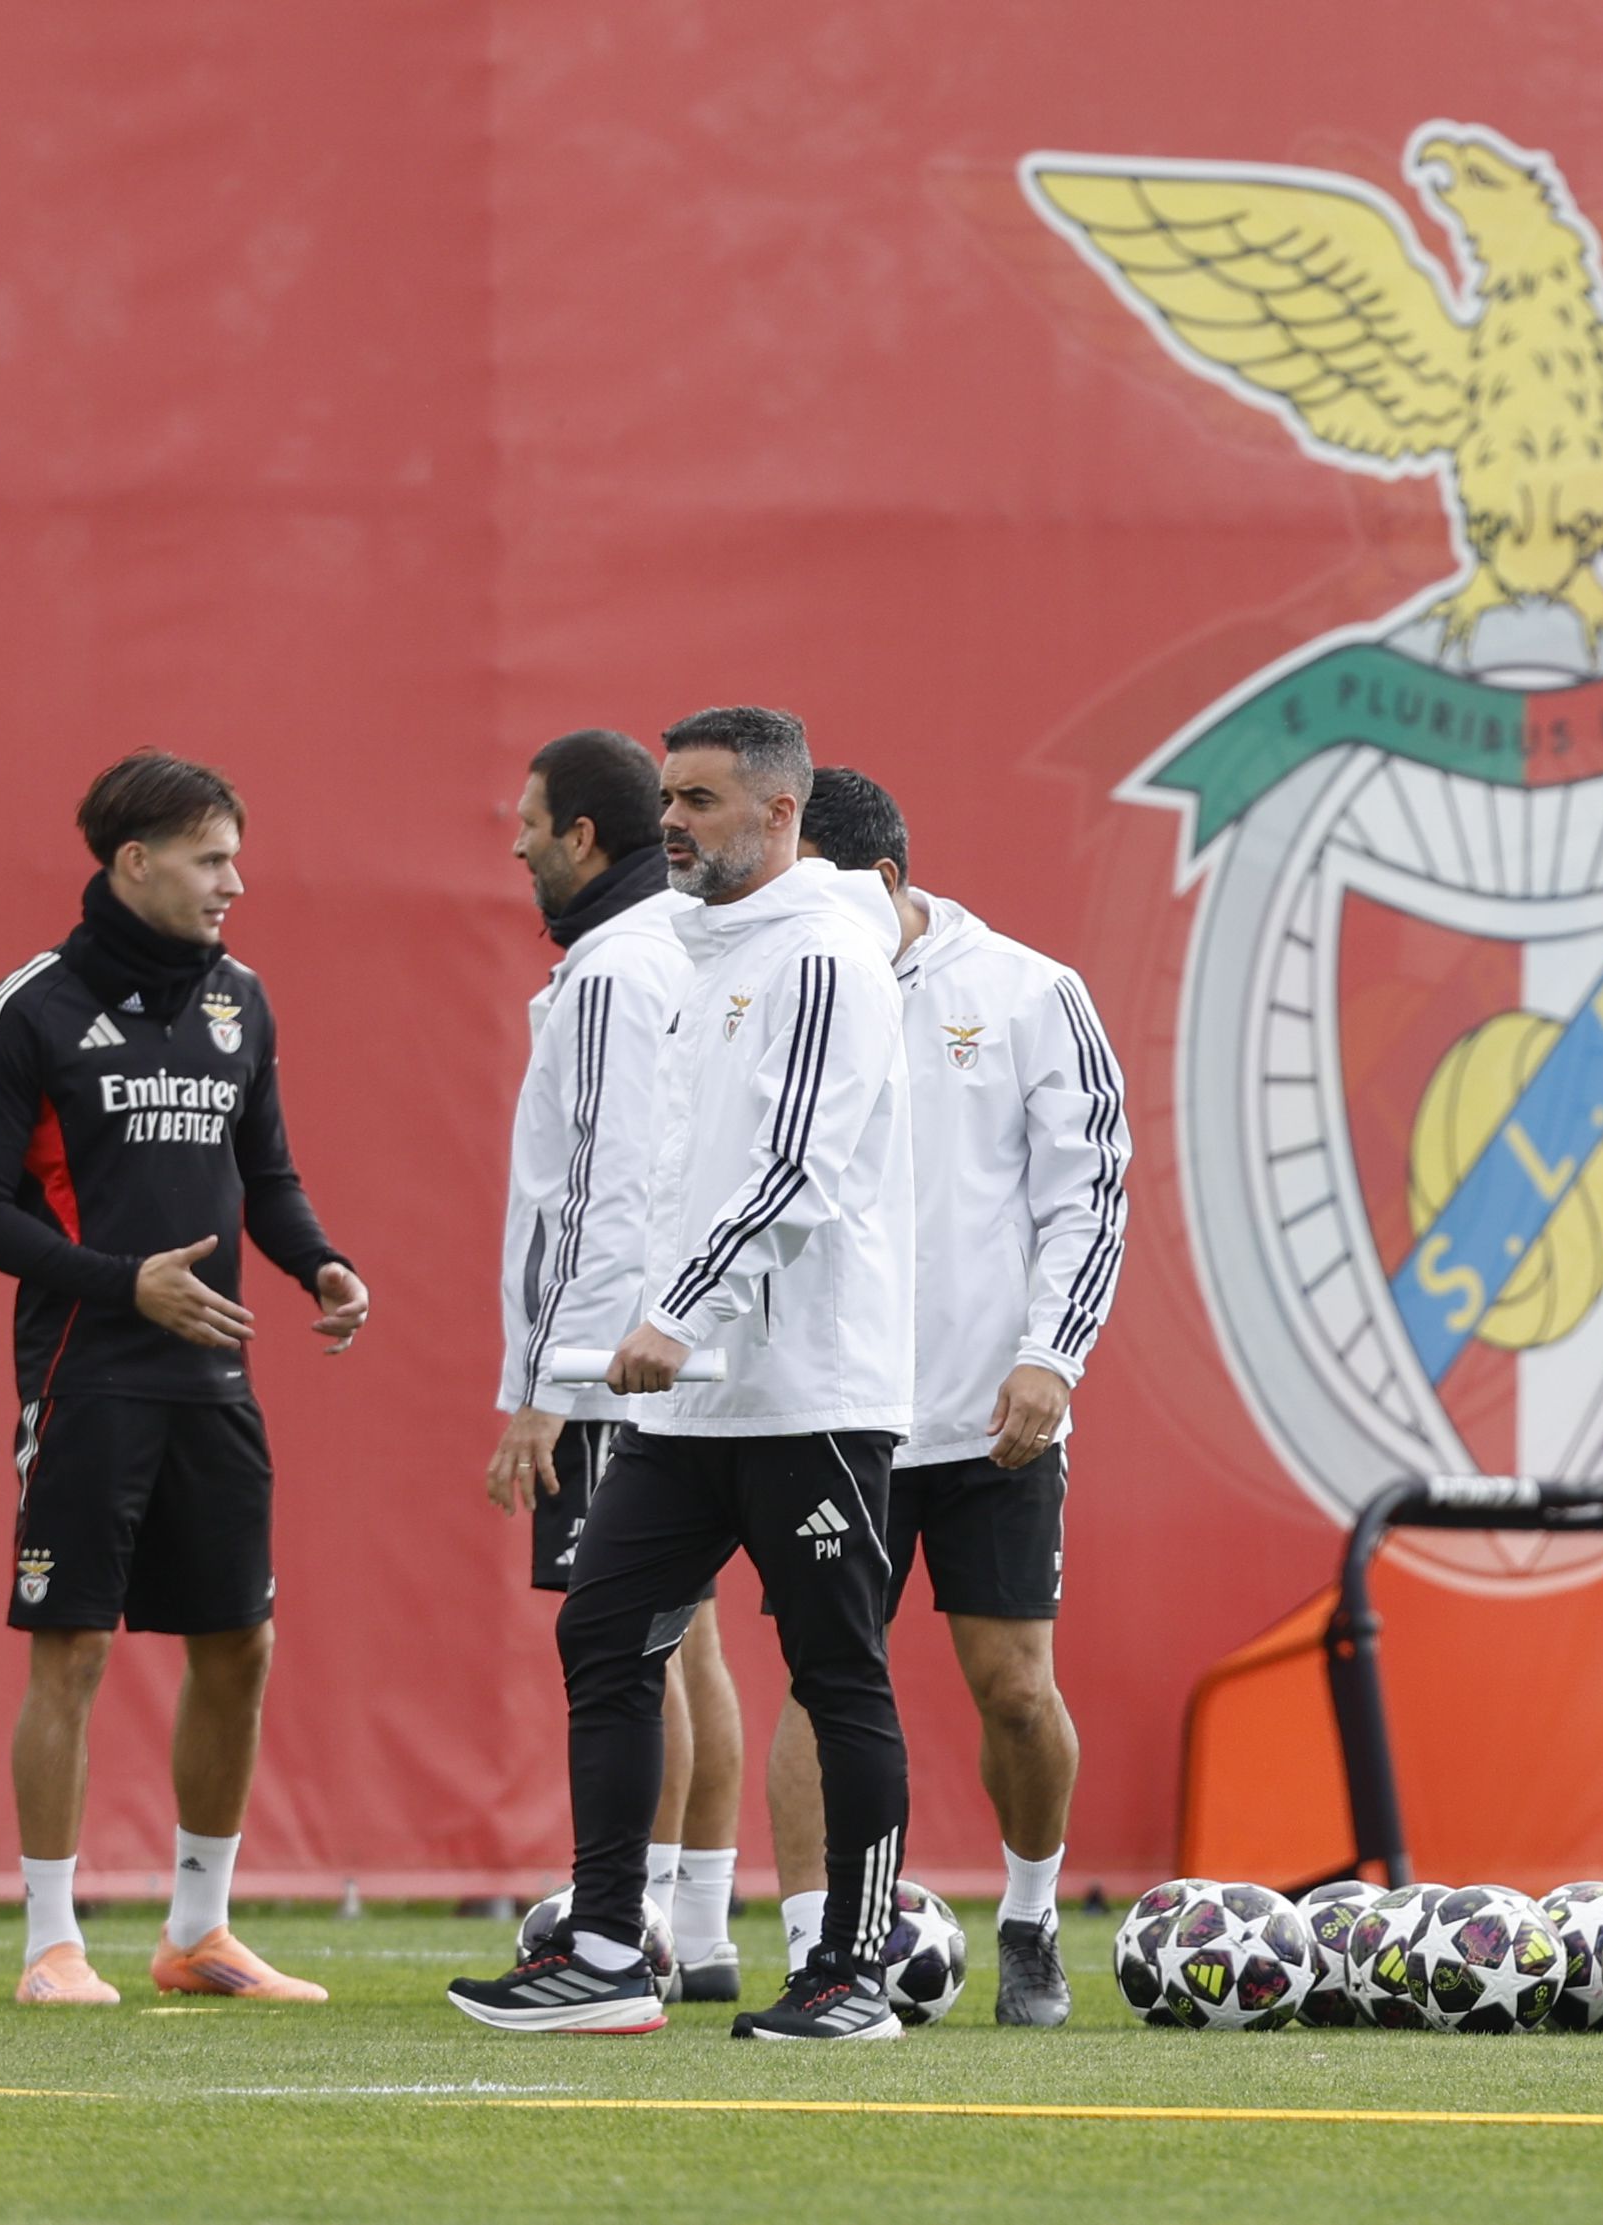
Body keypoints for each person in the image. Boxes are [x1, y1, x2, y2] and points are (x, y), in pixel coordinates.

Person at [449, 706, 917, 2041]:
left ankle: (851, 1973)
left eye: (702, 801)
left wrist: (673, 1307)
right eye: (667, 796)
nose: (674, 822)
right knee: (603, 1629)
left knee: (837, 1672)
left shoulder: (827, 951)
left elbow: (797, 1170)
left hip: (809, 1386)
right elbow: (656, 1169)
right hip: (688, 1391)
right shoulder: (688, 950)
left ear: (780, 814)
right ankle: (605, 1947)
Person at [0, 752, 369, 2007]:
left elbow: (269, 1178)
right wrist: (122, 1281)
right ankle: (48, 1942)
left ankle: (199, 1930)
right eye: (210, 858)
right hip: (89, 1376)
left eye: (234, 856)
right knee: (70, 1649)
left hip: (215, 1382)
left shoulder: (242, 1000)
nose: (235, 882)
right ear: (133, 863)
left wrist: (322, 1263)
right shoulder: (25, 1009)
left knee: (241, 1639)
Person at [776, 770, 1128, 2023]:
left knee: (1015, 1689)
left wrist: (1052, 1355)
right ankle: (814, 1947)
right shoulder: (779, 988)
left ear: (879, 882)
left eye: (807, 888)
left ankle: (1029, 1918)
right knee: (822, 1679)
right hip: (831, 1402)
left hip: (992, 1410)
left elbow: (1090, 1193)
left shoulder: (1031, 991)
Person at [486, 727, 746, 2001]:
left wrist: (544, 1386)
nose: (517, 842)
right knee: (684, 1639)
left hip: (616, 1356)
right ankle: (693, 1928)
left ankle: (626, 1925)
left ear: (582, 835)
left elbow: (599, 1190)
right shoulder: (680, 950)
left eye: (529, 821)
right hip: (669, 1348)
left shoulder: (613, 968)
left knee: (629, 1645)